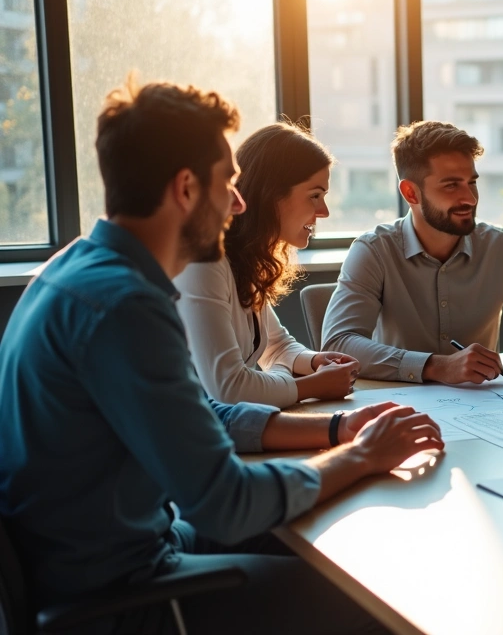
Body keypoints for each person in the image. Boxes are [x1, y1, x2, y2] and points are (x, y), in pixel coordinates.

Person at [0, 78, 444, 634]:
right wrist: (361, 458)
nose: (239, 203)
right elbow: (226, 503)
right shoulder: (124, 306)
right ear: (185, 188)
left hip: (135, 546)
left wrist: (339, 429)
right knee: (380, 604)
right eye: (228, 182)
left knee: (345, 539)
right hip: (125, 596)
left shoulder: (76, 271)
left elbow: (201, 415)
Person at [322, 120, 503, 385]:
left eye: (471, 182)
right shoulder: (374, 251)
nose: (470, 198)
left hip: (485, 411)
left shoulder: (500, 247)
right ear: (410, 193)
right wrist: (436, 366)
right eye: (451, 185)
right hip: (399, 411)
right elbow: (339, 343)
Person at [174, 121, 359, 407]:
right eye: (315, 195)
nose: (323, 211)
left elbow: (276, 345)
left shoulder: (248, 258)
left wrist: (316, 362)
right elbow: (229, 388)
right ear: (271, 195)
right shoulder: (204, 263)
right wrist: (312, 385)